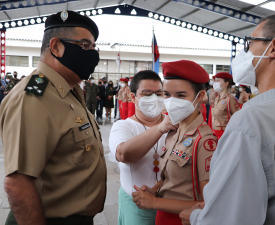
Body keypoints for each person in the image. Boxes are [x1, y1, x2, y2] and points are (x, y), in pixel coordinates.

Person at [180, 13, 275, 225]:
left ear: (273, 48)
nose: (246, 51)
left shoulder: (252, 121)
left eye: (251, 42)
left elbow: (227, 219)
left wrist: (196, 217)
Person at [0, 10, 106, 225]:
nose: (92, 54)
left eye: (94, 47)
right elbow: (18, 183)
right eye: (85, 46)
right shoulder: (33, 97)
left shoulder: (68, 90)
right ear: (56, 46)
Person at [132, 60, 217, 225]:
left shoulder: (205, 141)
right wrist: (154, 191)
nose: (171, 101)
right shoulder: (174, 132)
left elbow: (209, 203)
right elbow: (171, 179)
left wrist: (155, 202)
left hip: (184, 219)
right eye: (167, 94)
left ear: (199, 96)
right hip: (163, 216)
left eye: (181, 95)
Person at [109, 70, 169, 225]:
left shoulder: (174, 124)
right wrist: (160, 128)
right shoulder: (123, 126)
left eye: (159, 93)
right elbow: (124, 154)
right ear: (133, 97)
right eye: (147, 94)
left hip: (170, 204)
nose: (154, 98)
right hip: (136, 207)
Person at [211, 72, 240, 139]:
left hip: (224, 133)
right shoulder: (217, 98)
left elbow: (238, 118)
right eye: (215, 80)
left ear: (226, 83)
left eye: (218, 80)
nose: (215, 83)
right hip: (214, 132)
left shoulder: (230, 99)